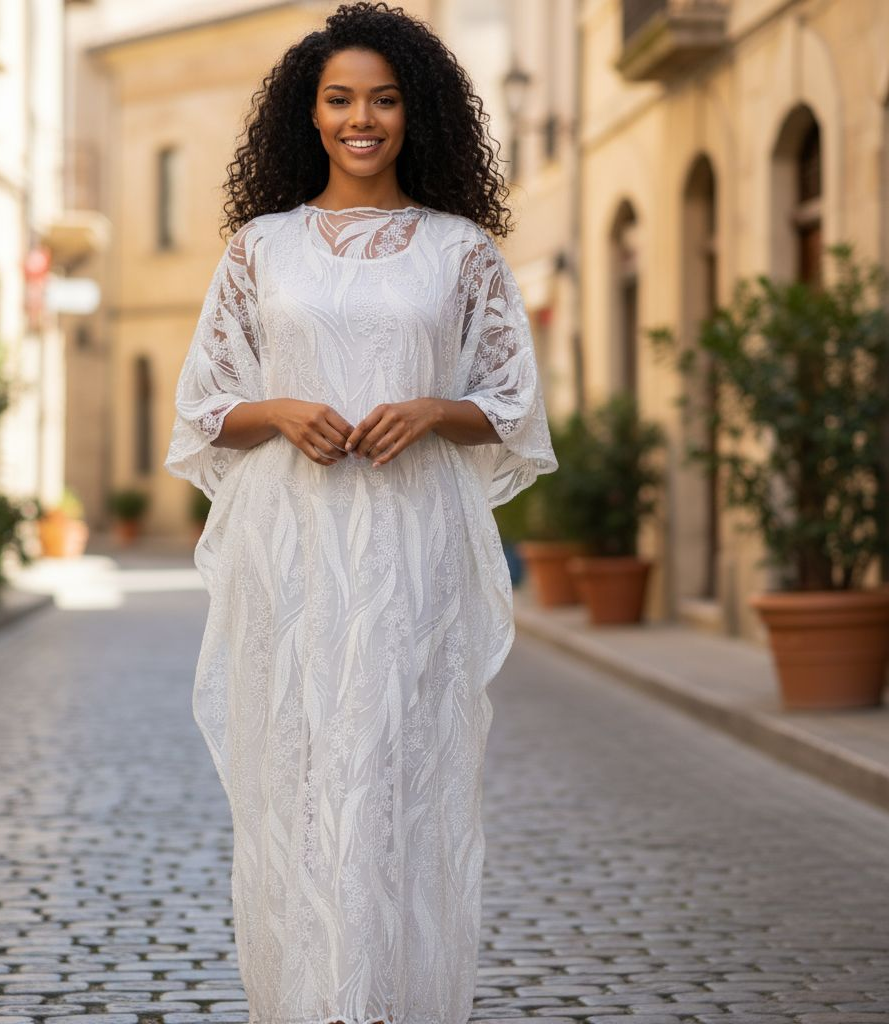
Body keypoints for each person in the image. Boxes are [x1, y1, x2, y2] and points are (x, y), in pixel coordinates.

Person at [164, 3, 558, 1022]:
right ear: (309, 114)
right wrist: (279, 409)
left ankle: (389, 1000)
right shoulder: (260, 248)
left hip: (412, 548)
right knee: (297, 775)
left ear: (415, 113)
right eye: (339, 99)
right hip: (290, 549)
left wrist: (434, 408)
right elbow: (202, 408)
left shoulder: (460, 251)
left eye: (383, 99)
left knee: (399, 775)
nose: (361, 119)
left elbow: (515, 411)